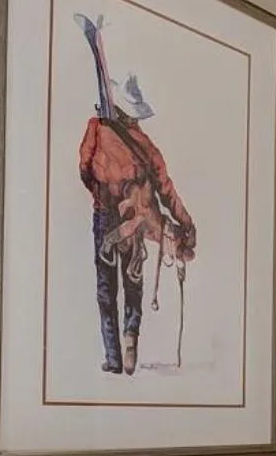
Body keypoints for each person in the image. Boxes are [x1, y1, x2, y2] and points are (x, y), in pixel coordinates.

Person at [78, 75, 196, 375]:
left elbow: (84, 167)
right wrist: (186, 222)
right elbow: (166, 189)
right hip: (137, 219)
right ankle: (131, 338)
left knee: (106, 288)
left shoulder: (96, 127)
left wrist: (100, 193)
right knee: (133, 284)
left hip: (105, 214)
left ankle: (113, 358)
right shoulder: (145, 145)